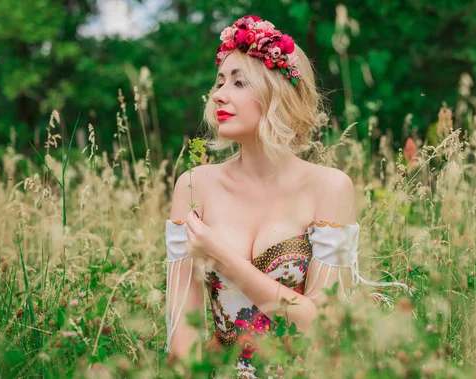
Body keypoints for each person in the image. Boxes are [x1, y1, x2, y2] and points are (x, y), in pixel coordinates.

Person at [165, 15, 409, 378]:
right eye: (219, 81)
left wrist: (224, 259)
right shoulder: (193, 186)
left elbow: (325, 328)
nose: (219, 94)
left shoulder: (329, 188)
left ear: (277, 96)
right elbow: (181, 337)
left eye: (238, 82)